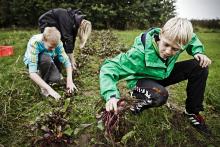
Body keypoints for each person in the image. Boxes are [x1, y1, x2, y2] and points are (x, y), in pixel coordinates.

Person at [99, 17, 212, 135]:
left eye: (175, 49)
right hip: (141, 81)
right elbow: (108, 68)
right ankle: (137, 100)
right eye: (166, 45)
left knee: (200, 66)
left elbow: (192, 38)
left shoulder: (179, 39)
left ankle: (192, 112)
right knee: (161, 95)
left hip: (163, 74)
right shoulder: (138, 54)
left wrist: (198, 52)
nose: (168, 51)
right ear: (161, 34)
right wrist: (111, 95)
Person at [23, 27, 77, 100]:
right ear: (44, 40)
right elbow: (32, 73)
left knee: (56, 79)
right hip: (36, 62)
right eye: (51, 47)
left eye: (55, 46)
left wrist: (69, 81)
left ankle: (45, 73)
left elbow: (67, 63)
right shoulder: (35, 43)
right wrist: (50, 89)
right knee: (45, 58)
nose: (54, 49)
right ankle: (43, 86)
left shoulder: (57, 42)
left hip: (49, 58)